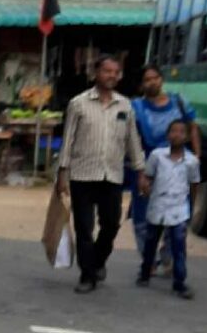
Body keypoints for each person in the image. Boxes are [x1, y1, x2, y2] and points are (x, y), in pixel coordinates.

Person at [56, 54, 145, 293]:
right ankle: (87, 275)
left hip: (112, 175)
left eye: (116, 72)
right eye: (107, 71)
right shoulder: (79, 103)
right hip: (82, 174)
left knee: (111, 225)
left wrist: (140, 171)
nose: (112, 76)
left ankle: (97, 261)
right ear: (96, 73)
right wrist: (62, 173)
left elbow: (132, 140)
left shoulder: (125, 105)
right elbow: (68, 140)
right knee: (84, 227)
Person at [129, 63, 200, 272]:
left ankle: (168, 256)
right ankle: (148, 259)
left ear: (162, 79)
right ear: (142, 85)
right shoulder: (136, 107)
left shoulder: (179, 101)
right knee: (143, 216)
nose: (152, 82)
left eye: (155, 78)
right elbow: (131, 138)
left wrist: (196, 156)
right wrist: (139, 170)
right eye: (147, 79)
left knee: (178, 212)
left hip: (179, 165)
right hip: (149, 166)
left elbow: (193, 127)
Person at [136, 119, 199, 300]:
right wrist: (145, 188)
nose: (176, 135)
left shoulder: (191, 162)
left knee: (179, 247)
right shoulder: (157, 156)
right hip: (157, 206)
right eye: (173, 131)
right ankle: (145, 272)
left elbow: (194, 184)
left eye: (181, 132)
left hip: (179, 209)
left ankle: (179, 282)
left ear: (186, 137)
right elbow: (148, 177)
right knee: (150, 243)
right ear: (167, 135)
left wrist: (191, 207)